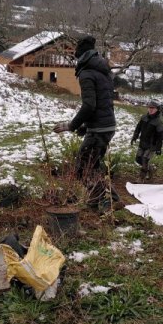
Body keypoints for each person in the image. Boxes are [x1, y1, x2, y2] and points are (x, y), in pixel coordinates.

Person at [53, 35, 117, 210]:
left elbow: (89, 105)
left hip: (100, 127)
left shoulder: (87, 73)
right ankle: (106, 200)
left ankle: (107, 201)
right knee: (93, 164)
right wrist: (85, 126)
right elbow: (102, 102)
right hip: (106, 125)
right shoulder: (103, 70)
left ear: (80, 56)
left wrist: (71, 125)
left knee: (83, 167)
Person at [131, 100, 163, 180]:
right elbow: (138, 128)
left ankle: (141, 178)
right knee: (138, 158)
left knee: (145, 159)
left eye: (153, 108)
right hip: (142, 143)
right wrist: (134, 137)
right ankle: (150, 169)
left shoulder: (158, 122)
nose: (150, 109)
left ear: (157, 109)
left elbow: (161, 137)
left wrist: (158, 148)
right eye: (149, 107)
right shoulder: (144, 117)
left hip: (152, 145)